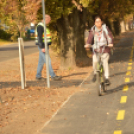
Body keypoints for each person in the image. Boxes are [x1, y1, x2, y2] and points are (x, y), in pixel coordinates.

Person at [84, 16, 113, 85]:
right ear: (95, 23)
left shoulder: (105, 29)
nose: (98, 23)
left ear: (101, 22)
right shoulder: (93, 30)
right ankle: (95, 74)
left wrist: (110, 43)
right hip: (96, 50)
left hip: (105, 49)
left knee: (104, 61)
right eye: (96, 22)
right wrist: (88, 44)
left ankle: (106, 78)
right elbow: (90, 38)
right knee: (94, 61)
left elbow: (109, 36)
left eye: (99, 21)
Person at [35, 14, 62, 81]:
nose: (49, 21)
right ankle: (53, 76)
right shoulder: (40, 26)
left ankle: (38, 76)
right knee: (48, 60)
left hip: (44, 46)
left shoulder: (43, 26)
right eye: (49, 20)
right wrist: (42, 47)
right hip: (43, 46)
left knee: (41, 62)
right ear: (46, 19)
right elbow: (39, 37)